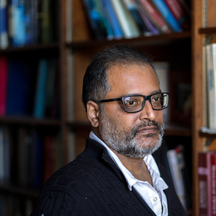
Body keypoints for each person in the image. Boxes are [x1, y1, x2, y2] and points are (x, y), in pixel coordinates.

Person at [30, 45, 186, 216]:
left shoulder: (160, 170)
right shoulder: (66, 195)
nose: (150, 114)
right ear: (94, 113)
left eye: (155, 99)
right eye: (132, 102)